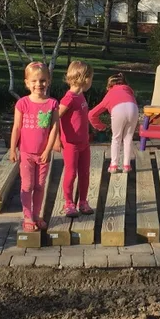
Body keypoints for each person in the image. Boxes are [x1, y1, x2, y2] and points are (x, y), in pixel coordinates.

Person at [9, 62, 58, 232]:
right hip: (26, 153)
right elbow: (16, 127)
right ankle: (27, 216)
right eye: (34, 81)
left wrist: (48, 150)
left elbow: (54, 128)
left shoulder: (52, 104)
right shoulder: (22, 103)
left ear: (49, 81)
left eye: (43, 80)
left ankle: (37, 215)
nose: (39, 84)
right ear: (27, 83)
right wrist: (12, 149)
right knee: (27, 185)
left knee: (39, 186)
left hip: (43, 154)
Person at [44, 60, 95, 217]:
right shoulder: (69, 98)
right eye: (91, 78)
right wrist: (56, 139)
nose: (91, 81)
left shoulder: (81, 96)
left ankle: (83, 202)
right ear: (84, 78)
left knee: (84, 173)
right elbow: (54, 118)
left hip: (84, 143)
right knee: (71, 173)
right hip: (71, 144)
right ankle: (68, 203)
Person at [89, 73, 138, 174]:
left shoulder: (110, 94)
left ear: (109, 86)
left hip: (118, 110)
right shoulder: (129, 92)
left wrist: (100, 126)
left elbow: (91, 114)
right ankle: (127, 166)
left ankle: (113, 166)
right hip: (133, 108)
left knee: (116, 138)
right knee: (128, 138)